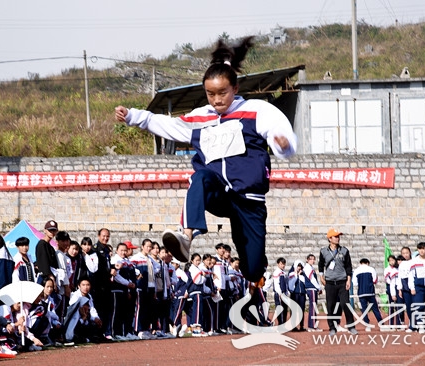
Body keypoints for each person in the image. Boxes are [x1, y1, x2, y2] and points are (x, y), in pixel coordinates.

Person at [115, 36, 297, 284]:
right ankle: (186, 236)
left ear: (235, 88)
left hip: (248, 200)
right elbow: (166, 124)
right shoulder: (200, 117)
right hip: (218, 192)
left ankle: (255, 273)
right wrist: (132, 116)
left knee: (252, 270)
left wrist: (281, 144)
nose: (216, 99)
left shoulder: (257, 111)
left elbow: (281, 136)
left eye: (222, 93)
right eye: (210, 94)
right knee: (199, 177)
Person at [318, 228, 358, 336]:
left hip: (342, 281)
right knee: (330, 305)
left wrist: (348, 280)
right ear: (330, 238)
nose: (338, 238)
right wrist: (321, 276)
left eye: (338, 236)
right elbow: (320, 265)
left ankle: (351, 326)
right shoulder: (323, 251)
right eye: (335, 236)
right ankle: (332, 327)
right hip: (330, 283)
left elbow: (348, 266)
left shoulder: (344, 250)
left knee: (345, 304)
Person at [352, 258, 383, 332]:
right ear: (368, 263)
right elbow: (375, 280)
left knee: (364, 309)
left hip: (361, 293)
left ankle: (367, 325)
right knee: (375, 309)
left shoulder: (356, 270)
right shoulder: (371, 269)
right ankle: (381, 324)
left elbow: (355, 283)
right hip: (370, 292)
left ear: (360, 263)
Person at [304, 254, 322, 332]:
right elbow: (312, 280)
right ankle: (313, 326)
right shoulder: (308, 268)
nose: (313, 261)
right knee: (313, 307)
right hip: (311, 288)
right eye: (311, 259)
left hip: (312, 289)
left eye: (314, 259)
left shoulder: (310, 267)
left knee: (313, 307)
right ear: (307, 260)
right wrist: (319, 287)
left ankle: (311, 325)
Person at [272, 257, 288, 325]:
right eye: (281, 264)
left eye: (284, 264)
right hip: (279, 293)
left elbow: (286, 283)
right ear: (278, 264)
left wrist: (286, 292)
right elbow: (276, 284)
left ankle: (283, 323)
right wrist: (280, 293)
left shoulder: (284, 273)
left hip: (284, 293)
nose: (283, 265)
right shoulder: (276, 272)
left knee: (284, 309)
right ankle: (280, 323)